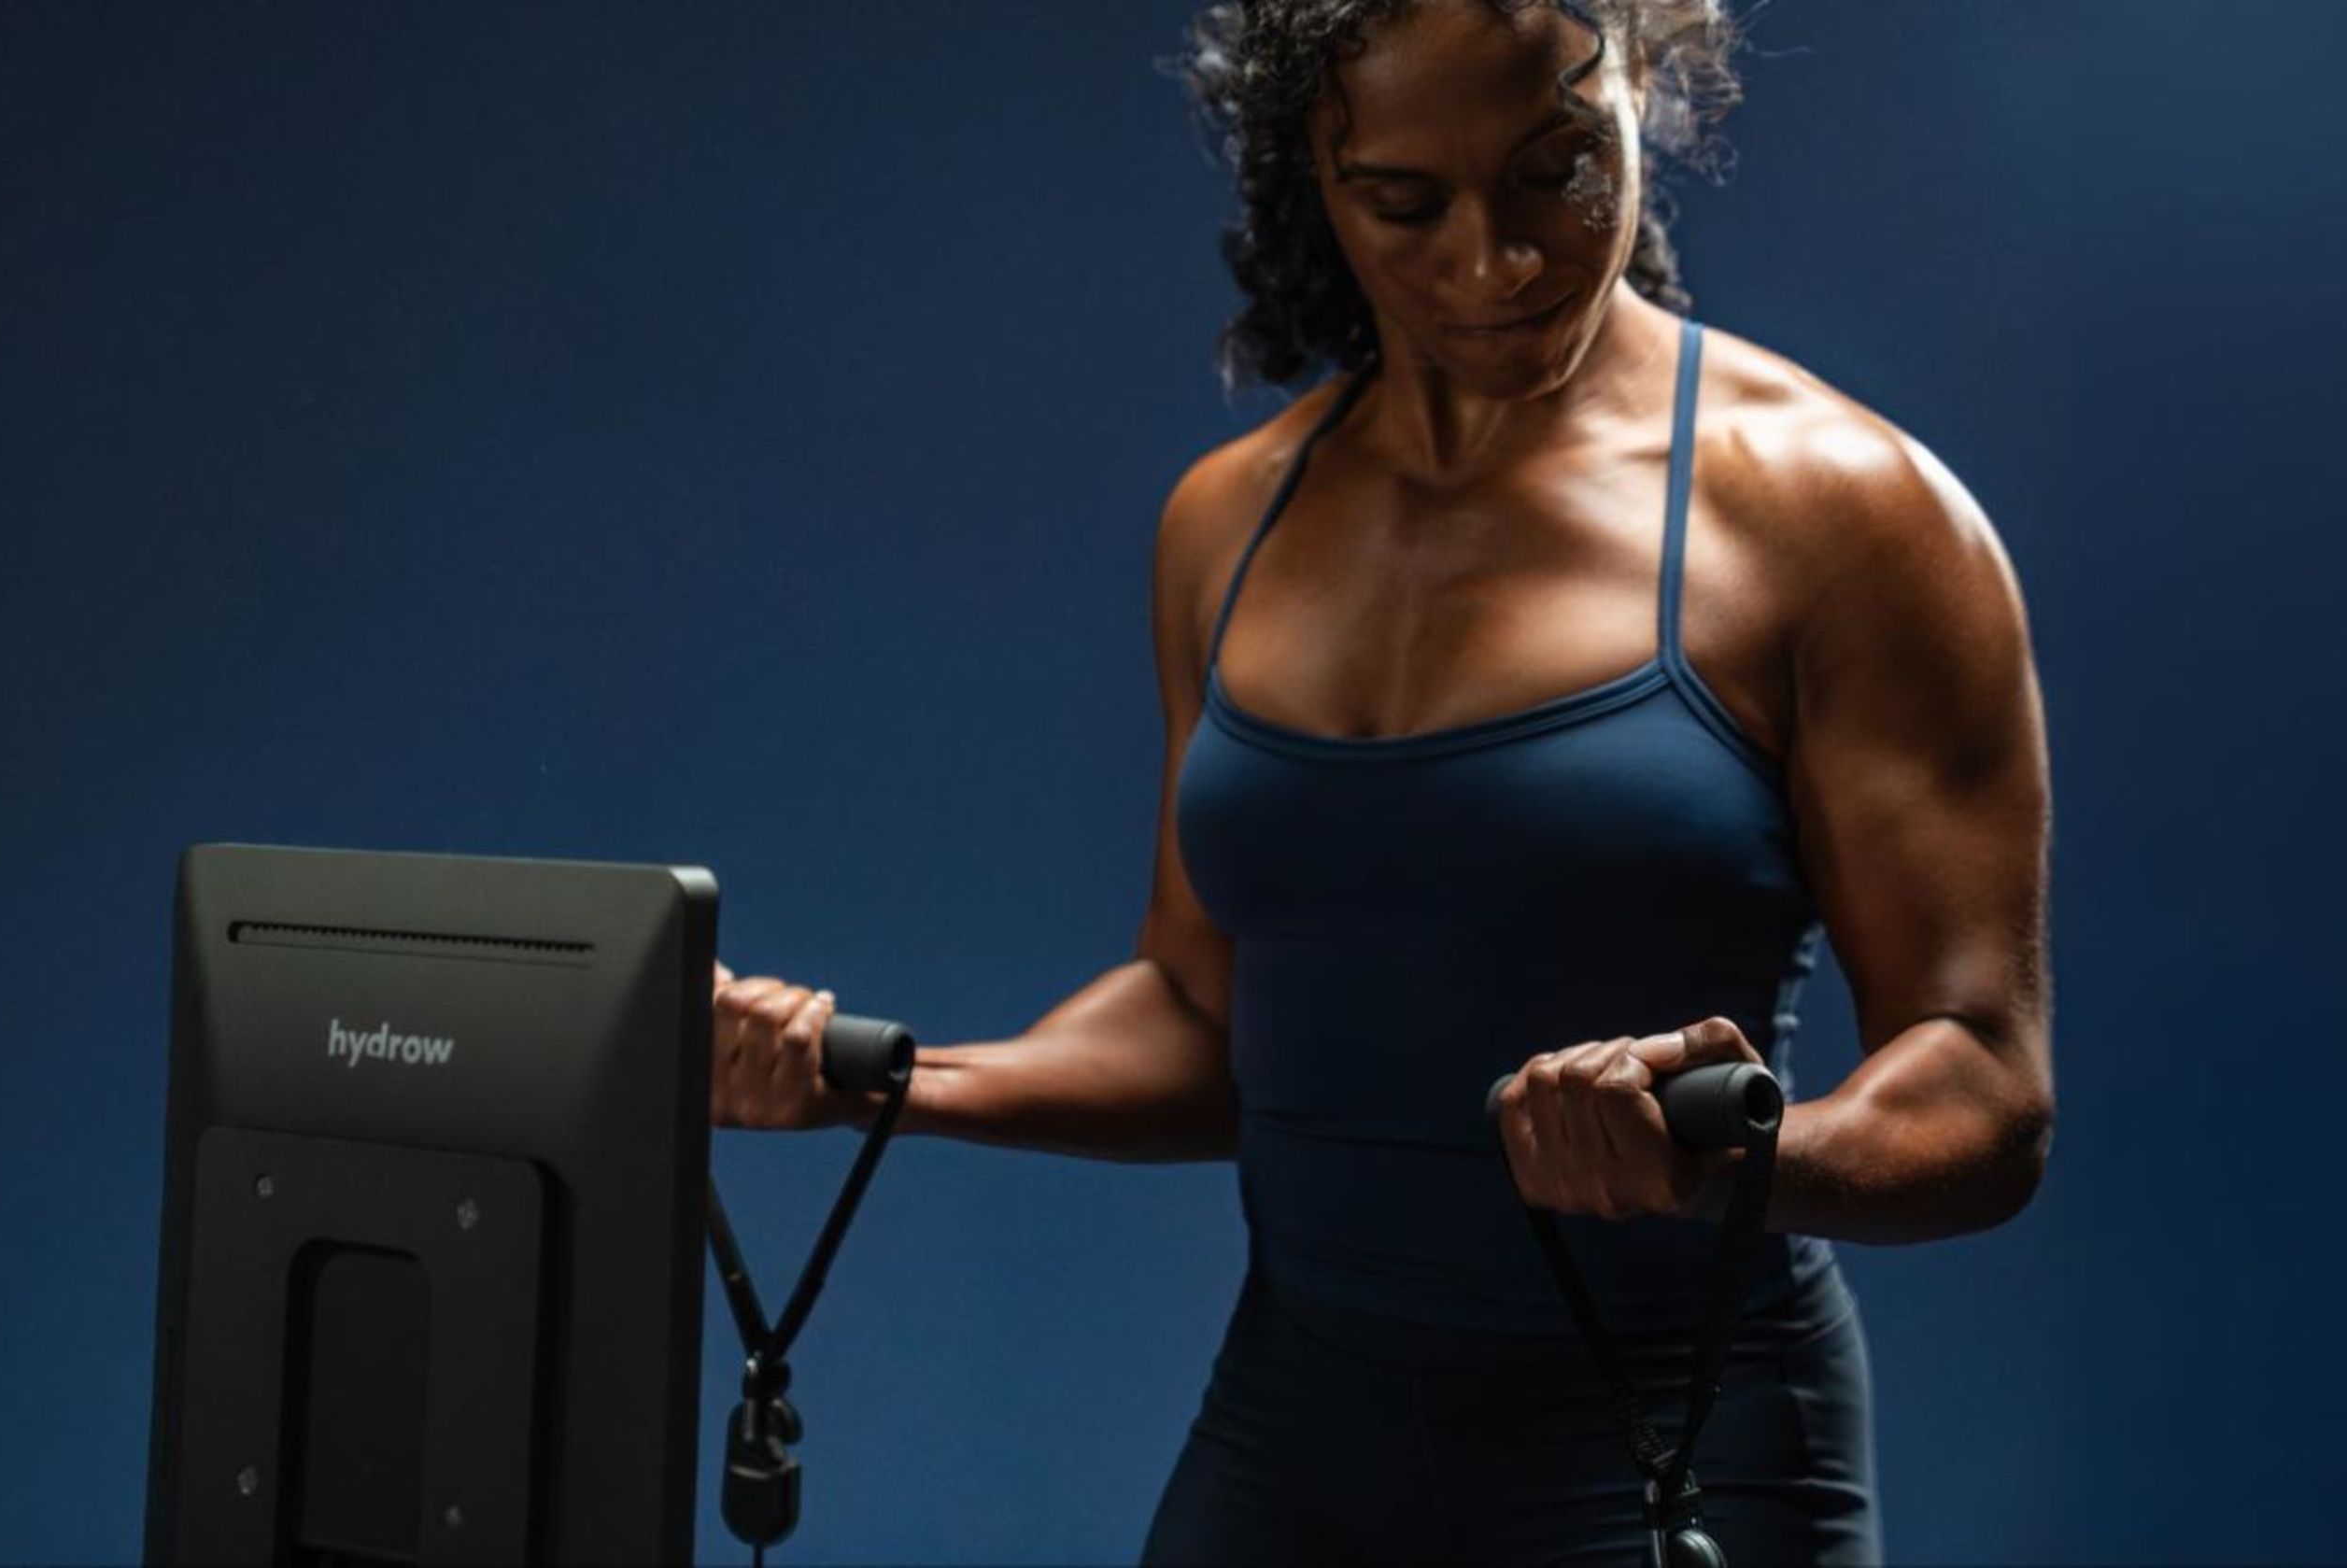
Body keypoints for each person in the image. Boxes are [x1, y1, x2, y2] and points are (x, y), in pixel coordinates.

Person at [710, 1, 2051, 1560]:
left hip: (1678, 1451)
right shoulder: (1231, 522)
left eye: (1559, 168)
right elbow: (1203, 1015)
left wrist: (1725, 1157)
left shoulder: (1847, 516)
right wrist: (881, 1084)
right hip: (1295, 1437)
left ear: (1645, 87)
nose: (1496, 262)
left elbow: (1984, 1084)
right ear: (1317, 176)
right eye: (1406, 202)